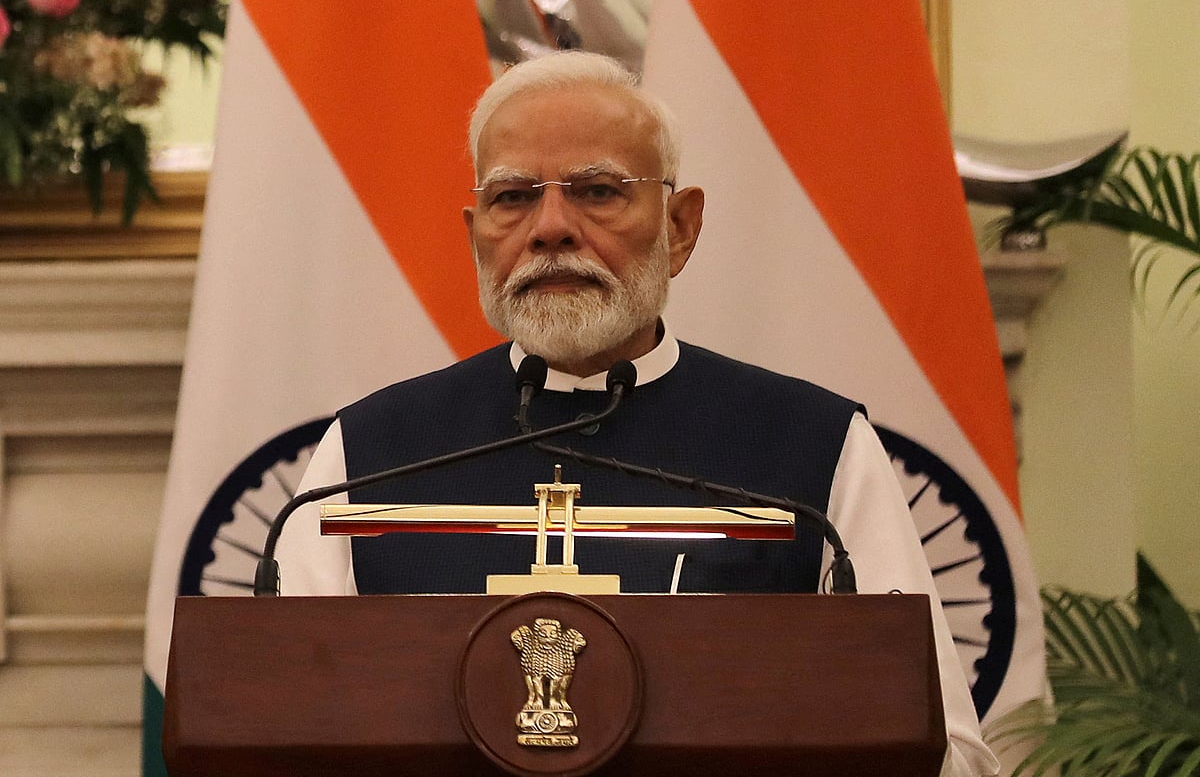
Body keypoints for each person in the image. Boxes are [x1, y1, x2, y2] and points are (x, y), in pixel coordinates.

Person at [277, 50, 999, 776]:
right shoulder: (368, 454)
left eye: (597, 191)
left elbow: (945, 750)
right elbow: (276, 727)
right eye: (513, 197)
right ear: (476, 234)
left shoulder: (815, 445)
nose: (550, 227)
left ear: (680, 228)